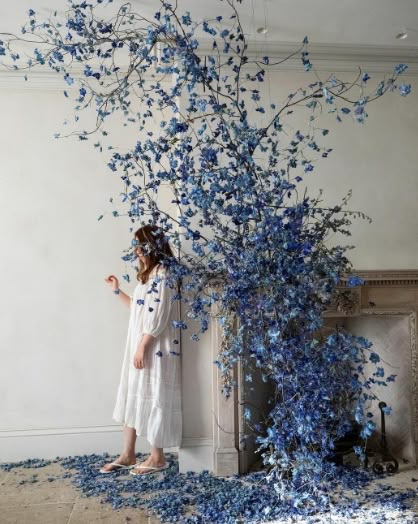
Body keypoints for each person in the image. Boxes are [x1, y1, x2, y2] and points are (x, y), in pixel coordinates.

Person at [100, 224, 182, 475]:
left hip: (154, 346)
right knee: (134, 392)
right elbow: (138, 311)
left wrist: (143, 347)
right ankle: (128, 454)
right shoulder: (149, 275)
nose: (136, 250)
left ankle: (158, 457)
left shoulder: (164, 274)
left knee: (153, 393)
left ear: (151, 246)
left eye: (140, 245)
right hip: (141, 342)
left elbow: (157, 317)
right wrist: (117, 291)